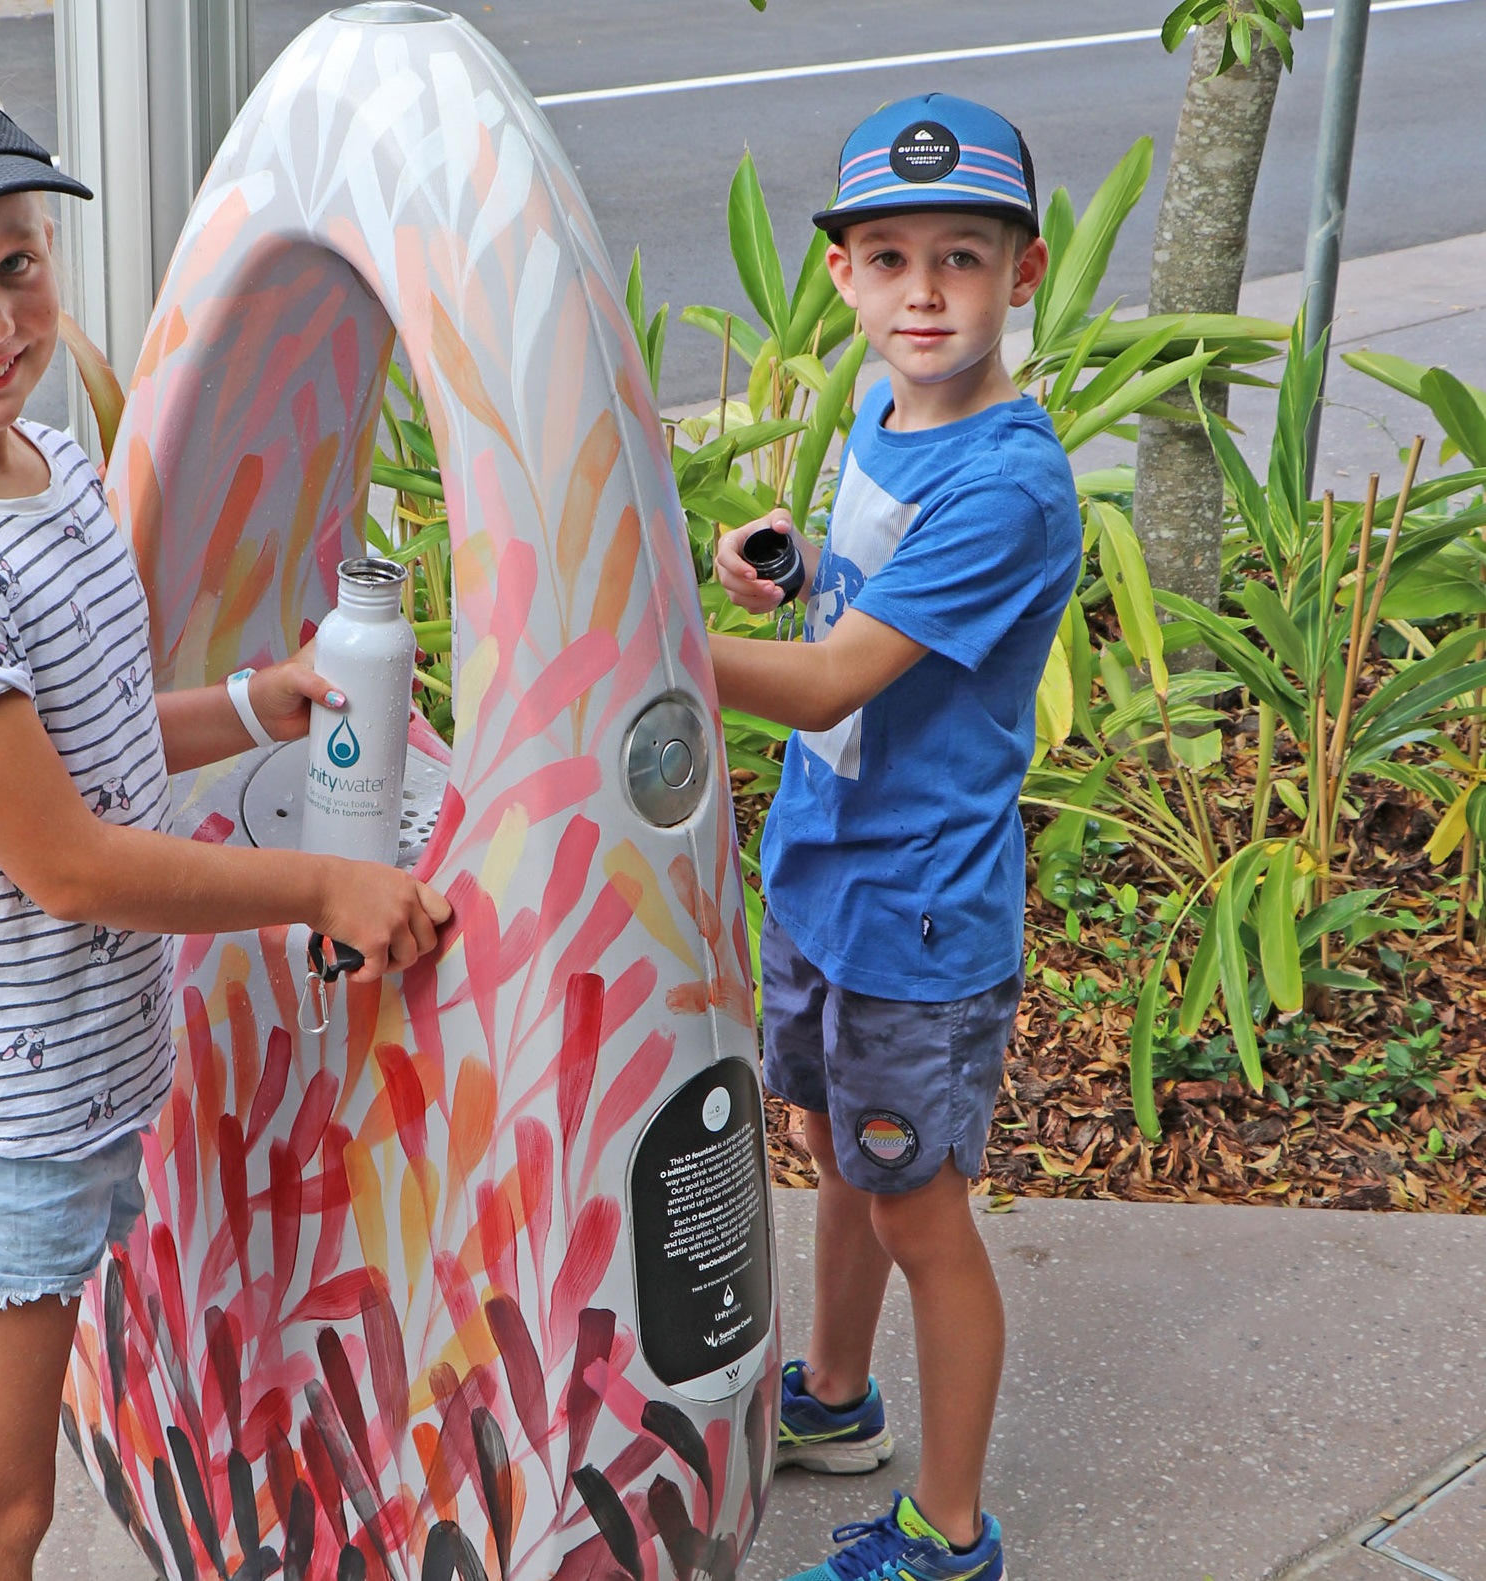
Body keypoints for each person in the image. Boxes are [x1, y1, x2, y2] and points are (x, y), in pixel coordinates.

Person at [0, 60, 452, 1581]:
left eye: (15, 265)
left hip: (57, 1072)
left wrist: (253, 701)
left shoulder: (43, 466)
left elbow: (87, 744)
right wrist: (324, 887)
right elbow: (65, 862)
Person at [708, 94, 1080, 1581]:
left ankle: (948, 1533)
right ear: (845, 276)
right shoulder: (886, 407)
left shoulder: (1009, 488)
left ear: (1023, 271)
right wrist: (790, 564)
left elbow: (829, 683)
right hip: (825, 871)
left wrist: (637, 629)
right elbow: (854, 595)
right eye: (890, 259)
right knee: (833, 1150)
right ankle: (837, 1397)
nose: (924, 293)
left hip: (917, 913)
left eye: (961, 258)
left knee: (919, 1210)